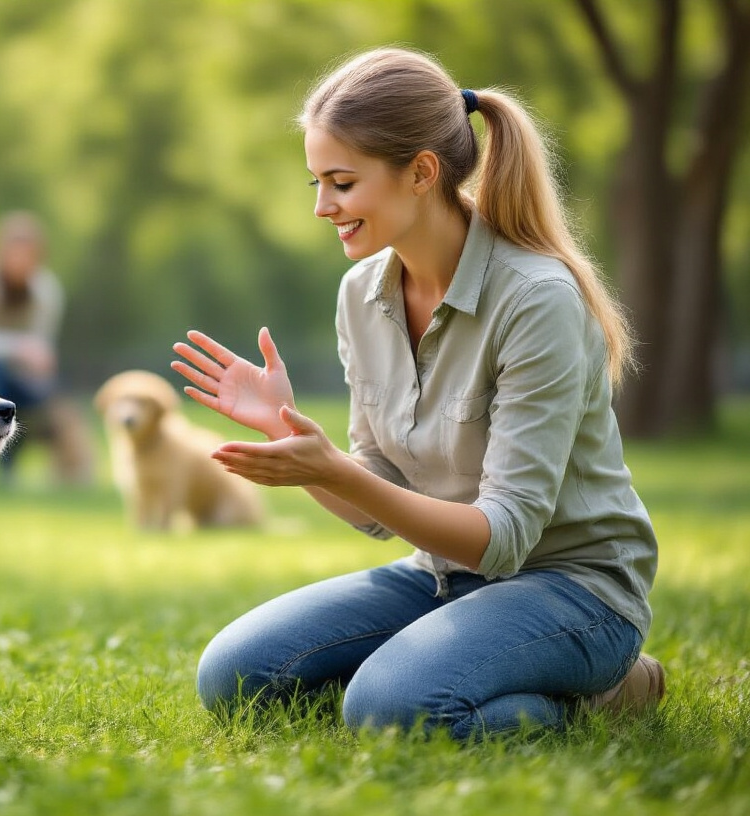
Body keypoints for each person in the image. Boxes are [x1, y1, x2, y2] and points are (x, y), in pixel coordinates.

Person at [171, 48, 663, 741]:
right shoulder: (361, 293)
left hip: (572, 591)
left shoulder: (536, 300)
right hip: (442, 577)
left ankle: (612, 689)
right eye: (315, 181)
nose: (321, 206)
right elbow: (376, 501)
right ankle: (444, 669)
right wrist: (290, 438)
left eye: (341, 182)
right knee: (235, 676)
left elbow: (504, 540)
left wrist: (330, 468)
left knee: (390, 709)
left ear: (422, 173)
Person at [0, 211, 73, 484]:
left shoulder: (46, 289)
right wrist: (19, 346)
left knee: (45, 395)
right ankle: (2, 465)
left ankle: (52, 465)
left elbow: (43, 346)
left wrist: (35, 361)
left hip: (24, 374)